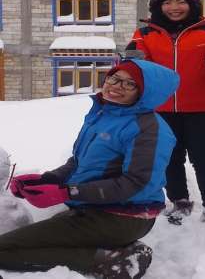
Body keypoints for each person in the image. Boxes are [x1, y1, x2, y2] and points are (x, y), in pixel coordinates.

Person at [0, 59, 179, 279]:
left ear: (145, 93)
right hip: (90, 208)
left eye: (129, 84)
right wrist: (46, 180)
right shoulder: (104, 115)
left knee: (5, 249)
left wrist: (66, 192)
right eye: (114, 78)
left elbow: (135, 183)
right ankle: (104, 252)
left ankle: (111, 261)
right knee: (24, 241)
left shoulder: (149, 129)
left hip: (124, 217)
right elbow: (77, 163)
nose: (116, 86)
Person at [124, 0, 205, 228]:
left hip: (202, 109)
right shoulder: (145, 33)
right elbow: (134, 67)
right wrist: (132, 63)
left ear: (192, 5)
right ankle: (179, 203)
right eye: (167, 2)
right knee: (169, 159)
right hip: (161, 110)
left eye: (181, 2)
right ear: (158, 6)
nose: (174, 7)